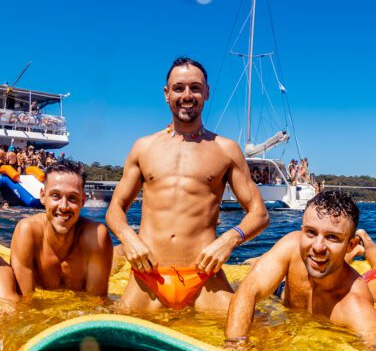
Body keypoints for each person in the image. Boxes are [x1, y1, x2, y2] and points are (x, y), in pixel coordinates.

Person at [106, 57, 269, 313]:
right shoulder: (144, 147)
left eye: (195, 87)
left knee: (253, 336)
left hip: (204, 278)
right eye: (179, 88)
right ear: (166, 93)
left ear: (206, 92)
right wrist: (128, 238)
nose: (187, 95)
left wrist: (229, 239)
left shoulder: (226, 150)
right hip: (148, 277)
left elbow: (259, 214)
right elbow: (115, 207)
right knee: (112, 342)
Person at [225, 191, 376, 351]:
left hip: (346, 277)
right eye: (311, 232)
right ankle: (258, 261)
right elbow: (248, 290)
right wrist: (235, 345)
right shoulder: (291, 244)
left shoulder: (352, 301)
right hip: (283, 288)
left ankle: (366, 242)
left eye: (332, 237)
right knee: (252, 271)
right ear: (302, 230)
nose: (318, 245)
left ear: (349, 244)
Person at [10, 160, 113, 296]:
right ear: (42, 196)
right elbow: (25, 302)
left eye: (72, 198)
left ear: (83, 201)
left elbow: (97, 302)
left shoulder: (96, 237)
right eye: (55, 196)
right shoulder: (28, 231)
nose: (63, 206)